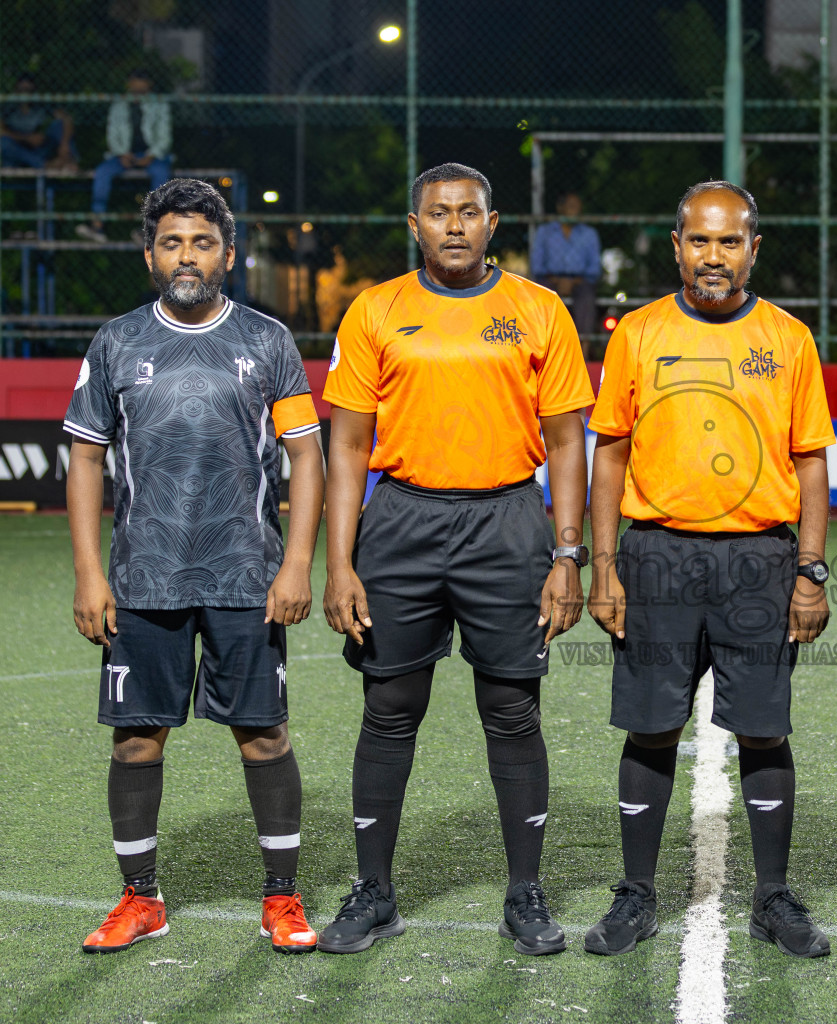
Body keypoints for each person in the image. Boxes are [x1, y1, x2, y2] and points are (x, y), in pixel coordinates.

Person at [317, 162, 594, 957]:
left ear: (492, 223)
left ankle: (525, 893)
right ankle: (375, 892)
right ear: (416, 226)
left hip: (508, 521)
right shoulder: (375, 310)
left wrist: (567, 554)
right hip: (401, 520)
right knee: (389, 706)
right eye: (438, 213)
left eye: (468, 212)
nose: (454, 226)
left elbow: (567, 441)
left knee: (511, 711)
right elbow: (348, 443)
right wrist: (340, 562)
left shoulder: (538, 310)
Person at [63, 178, 325, 955]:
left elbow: (307, 456)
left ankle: (282, 898)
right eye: (172, 242)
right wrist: (89, 573)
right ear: (150, 255)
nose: (188, 256)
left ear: (229, 255)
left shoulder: (268, 341)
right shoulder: (116, 342)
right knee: (135, 742)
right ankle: (140, 900)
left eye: (203, 243)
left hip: (247, 578)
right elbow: (85, 458)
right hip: (143, 580)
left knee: (264, 737)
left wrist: (298, 562)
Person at [583, 180, 836, 959]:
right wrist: (604, 568)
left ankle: (772, 897)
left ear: (753, 248)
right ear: (677, 246)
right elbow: (610, 454)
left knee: (762, 730)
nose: (714, 255)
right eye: (700, 240)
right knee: (652, 726)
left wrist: (810, 572)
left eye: (730, 241)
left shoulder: (789, 337)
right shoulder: (639, 332)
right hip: (657, 555)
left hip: (760, 560)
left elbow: (811, 461)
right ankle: (636, 893)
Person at [77, 70, 172, 242]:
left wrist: (151, 155)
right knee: (103, 172)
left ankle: (153, 230)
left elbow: (164, 137)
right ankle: (97, 227)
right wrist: (121, 153)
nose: (138, 91)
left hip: (152, 155)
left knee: (161, 174)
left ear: (149, 86)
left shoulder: (159, 104)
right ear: (129, 84)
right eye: (135, 86)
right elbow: (112, 134)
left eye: (142, 87)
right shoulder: (119, 106)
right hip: (124, 154)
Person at [530, 191, 601, 350]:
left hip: (580, 280)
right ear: (560, 208)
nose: (575, 211)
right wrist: (557, 280)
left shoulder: (589, 234)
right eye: (571, 206)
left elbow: (594, 268)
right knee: (542, 295)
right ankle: (543, 347)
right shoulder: (545, 232)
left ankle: (584, 349)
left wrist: (573, 281)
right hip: (550, 279)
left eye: (578, 207)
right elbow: (537, 265)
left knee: (587, 297)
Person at [0, 73, 77, 171]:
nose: (25, 94)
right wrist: (27, 138)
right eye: (22, 90)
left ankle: (68, 161)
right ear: (16, 91)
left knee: (58, 125)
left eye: (29, 91)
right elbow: (0, 131)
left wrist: (64, 144)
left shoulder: (41, 104)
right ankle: (44, 165)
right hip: (19, 150)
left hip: (39, 148)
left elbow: (66, 119)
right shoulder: (8, 107)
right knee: (4, 143)